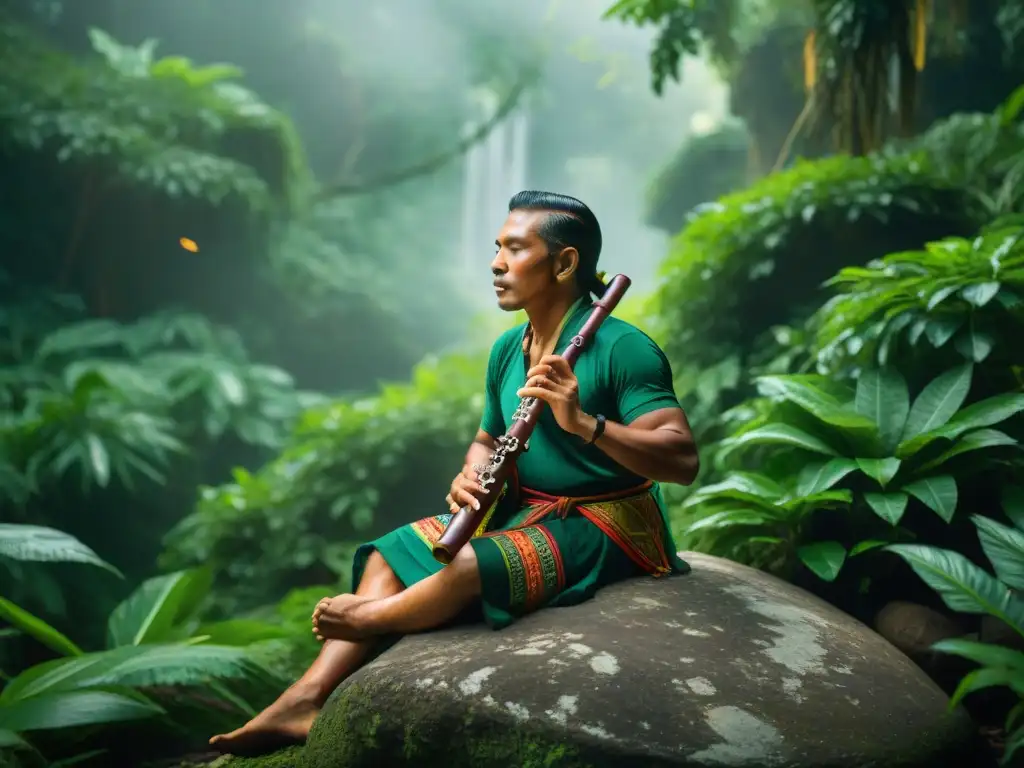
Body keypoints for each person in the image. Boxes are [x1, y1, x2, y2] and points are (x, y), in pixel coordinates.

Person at [209, 190, 699, 756]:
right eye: (498, 248)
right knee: (388, 553)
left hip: (602, 520)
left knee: (469, 565)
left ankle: (369, 619)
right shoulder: (507, 349)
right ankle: (307, 696)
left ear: (565, 263)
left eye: (515, 249)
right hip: (522, 505)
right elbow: (487, 440)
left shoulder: (624, 349)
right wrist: (470, 475)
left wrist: (584, 422)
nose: (496, 263)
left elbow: (681, 459)